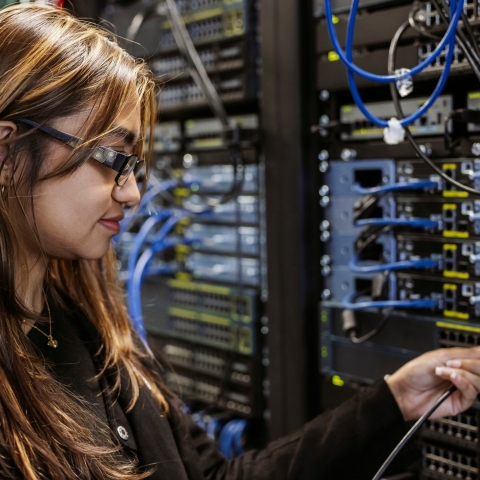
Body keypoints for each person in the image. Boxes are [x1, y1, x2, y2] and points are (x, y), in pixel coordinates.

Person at [0, 3, 479, 479]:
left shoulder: (93, 327)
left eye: (134, 165)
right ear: (7, 155)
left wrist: (394, 401)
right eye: (113, 157)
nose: (132, 192)